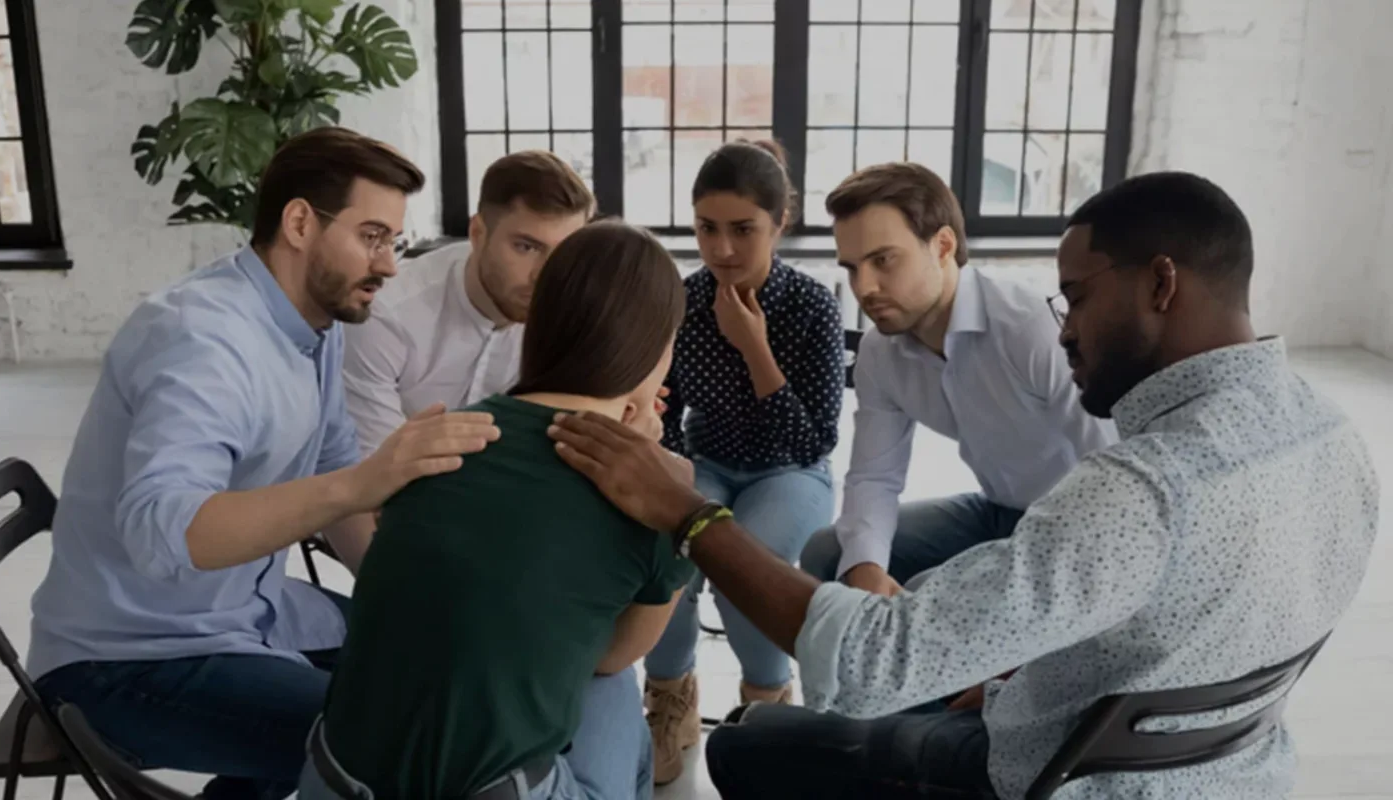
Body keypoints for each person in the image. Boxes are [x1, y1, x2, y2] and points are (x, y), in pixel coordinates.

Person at [548, 172, 1380, 799]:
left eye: (1078, 298)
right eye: (852, 266)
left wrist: (690, 515)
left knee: (742, 745)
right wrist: (1012, 660)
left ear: (1161, 285)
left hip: (1060, 772)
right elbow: (880, 477)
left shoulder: (1137, 486)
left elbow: (874, 660)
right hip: (1216, 759)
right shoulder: (1330, 433)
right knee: (843, 559)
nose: (1068, 328)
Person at [27, 128, 501, 800]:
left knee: (435, 661)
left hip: (246, 612)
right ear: (300, 223)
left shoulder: (315, 323)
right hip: (127, 658)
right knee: (398, 740)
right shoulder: (202, 339)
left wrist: (401, 594)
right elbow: (164, 530)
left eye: (393, 242)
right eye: (371, 236)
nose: (389, 266)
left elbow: (336, 459)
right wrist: (359, 485)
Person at [298, 221, 694, 800]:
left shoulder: (443, 434)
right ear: (660, 348)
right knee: (613, 694)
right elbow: (613, 656)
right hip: (489, 792)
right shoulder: (662, 496)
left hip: (333, 775)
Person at [798, 162, 1116, 598]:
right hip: (996, 512)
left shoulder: (1027, 327)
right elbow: (874, 476)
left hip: (1076, 524)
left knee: (931, 591)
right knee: (830, 554)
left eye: (883, 260)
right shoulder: (879, 353)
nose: (865, 287)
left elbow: (1110, 463)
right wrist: (866, 568)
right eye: (852, 268)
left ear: (943, 246)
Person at [644, 139, 844, 784]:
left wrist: (755, 348)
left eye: (743, 229)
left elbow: (812, 442)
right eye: (707, 228)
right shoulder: (683, 300)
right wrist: (676, 474)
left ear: (779, 223)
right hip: (708, 461)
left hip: (791, 472)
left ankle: (767, 701)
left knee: (743, 563)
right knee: (665, 548)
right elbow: (666, 416)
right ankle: (669, 696)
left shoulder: (812, 305)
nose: (722, 248)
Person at [343, 150, 593, 455]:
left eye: (564, 253)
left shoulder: (577, 314)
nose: (545, 275)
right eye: (526, 247)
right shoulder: (384, 316)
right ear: (477, 233)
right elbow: (376, 465)